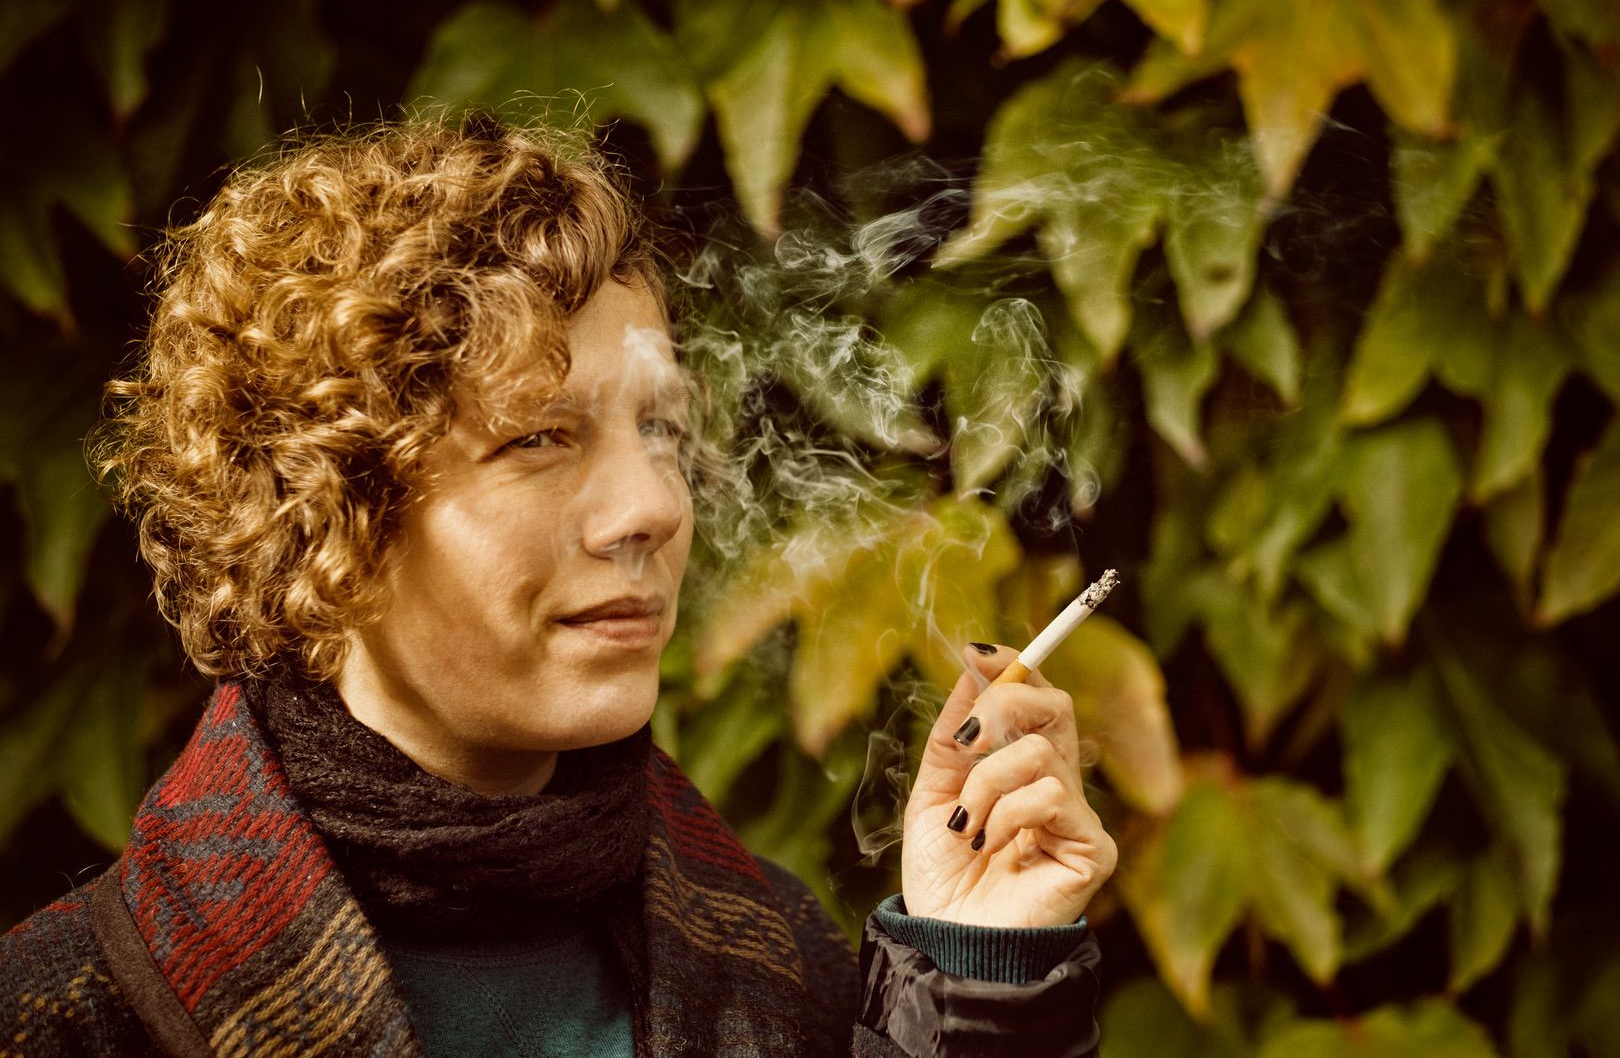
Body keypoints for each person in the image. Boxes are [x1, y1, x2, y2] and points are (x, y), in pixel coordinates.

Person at [0, 115, 1116, 1057]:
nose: (654, 508)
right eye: (538, 437)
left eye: (661, 429)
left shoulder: (791, 969)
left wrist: (977, 983)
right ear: (324, 508)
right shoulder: (59, 1018)